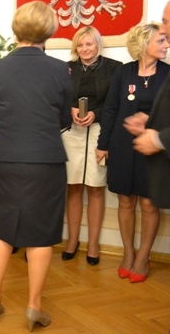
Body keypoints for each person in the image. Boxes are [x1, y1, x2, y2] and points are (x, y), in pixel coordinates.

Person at [0, 1, 72, 330]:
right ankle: (34, 307)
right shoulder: (60, 70)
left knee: (1, 228)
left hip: (5, 159)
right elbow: (64, 119)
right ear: (48, 30)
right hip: (46, 161)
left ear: (17, 28)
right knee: (40, 234)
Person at [96, 22, 169, 283]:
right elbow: (111, 109)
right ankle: (128, 253)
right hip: (122, 145)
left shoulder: (168, 74)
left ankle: (143, 256)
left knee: (149, 203)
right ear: (144, 44)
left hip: (153, 148)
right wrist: (103, 144)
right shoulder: (123, 72)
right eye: (161, 41)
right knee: (126, 200)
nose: (166, 45)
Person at [60, 26, 121, 265]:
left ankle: (93, 244)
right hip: (72, 134)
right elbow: (59, 98)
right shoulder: (66, 69)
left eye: (89, 44)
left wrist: (96, 114)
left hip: (101, 135)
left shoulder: (115, 68)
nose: (85, 49)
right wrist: (71, 109)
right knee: (73, 187)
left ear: (97, 44)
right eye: (80, 45)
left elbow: (115, 104)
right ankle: (73, 240)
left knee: (96, 188)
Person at [125, 2, 170, 210]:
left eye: (166, 22)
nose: (163, 30)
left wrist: (159, 139)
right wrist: (150, 123)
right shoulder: (125, 72)